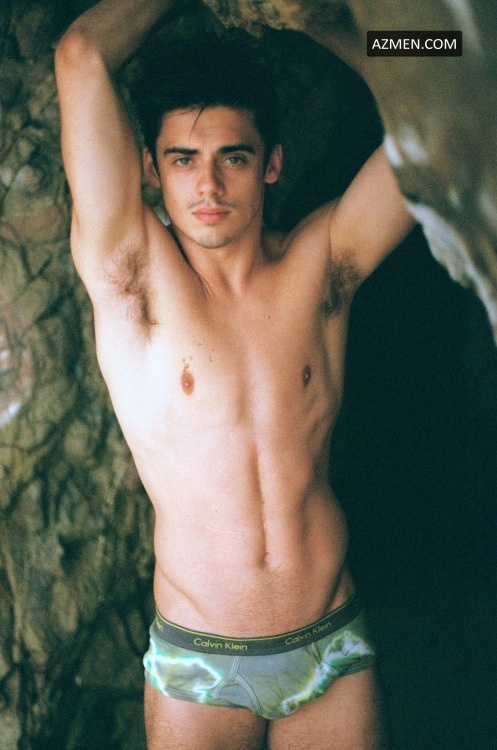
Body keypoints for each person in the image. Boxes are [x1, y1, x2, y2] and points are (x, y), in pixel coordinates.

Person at [55, 1, 415, 747]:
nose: (209, 186)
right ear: (150, 169)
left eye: (235, 157)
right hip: (201, 666)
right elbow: (80, 53)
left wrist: (321, 21)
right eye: (184, 159)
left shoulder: (323, 263)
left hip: (331, 645)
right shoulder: (132, 280)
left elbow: (450, 73)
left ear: (271, 163)